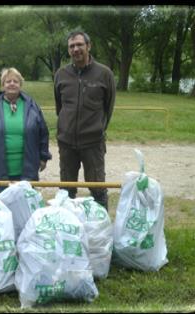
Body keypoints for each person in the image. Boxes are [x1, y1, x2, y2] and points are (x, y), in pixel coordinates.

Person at [54, 31, 116, 210]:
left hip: (93, 143)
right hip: (66, 143)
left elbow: (108, 108)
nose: (75, 49)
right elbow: (60, 107)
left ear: (88, 46)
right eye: (71, 46)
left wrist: (97, 129)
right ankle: (67, 229)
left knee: (97, 189)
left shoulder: (104, 74)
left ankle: (100, 232)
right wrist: (66, 127)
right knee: (66, 189)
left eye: (79, 44)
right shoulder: (61, 74)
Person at [0, 67, 52, 194]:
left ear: (20, 85)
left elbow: (43, 132)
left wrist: (43, 157)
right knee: (4, 203)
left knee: (25, 205)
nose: (12, 84)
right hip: (0, 166)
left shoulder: (32, 106)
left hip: (27, 165)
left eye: (16, 81)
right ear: (2, 85)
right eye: (8, 81)